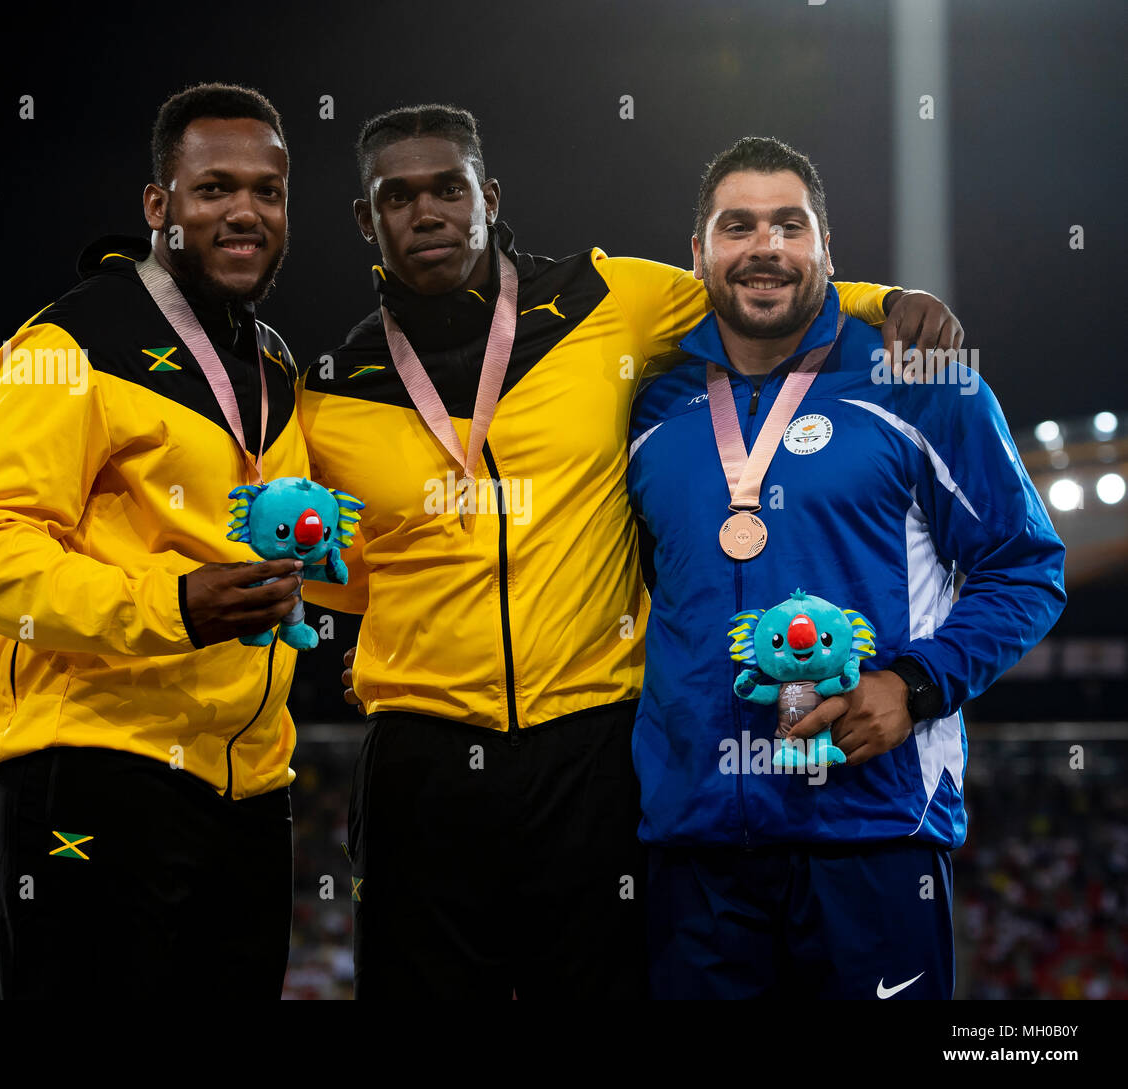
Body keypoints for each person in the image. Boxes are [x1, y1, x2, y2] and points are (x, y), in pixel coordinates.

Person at [298, 104, 963, 999]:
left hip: (594, 752)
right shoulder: (333, 391)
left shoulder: (603, 300)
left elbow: (758, 283)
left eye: (449, 188)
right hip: (423, 763)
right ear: (364, 218)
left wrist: (889, 300)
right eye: (398, 196)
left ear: (488, 196)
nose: (428, 213)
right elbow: (340, 574)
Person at [627, 136, 1066, 999]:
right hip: (694, 850)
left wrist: (914, 683)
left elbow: (1026, 568)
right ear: (699, 255)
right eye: (738, 226)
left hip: (875, 831)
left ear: (827, 246)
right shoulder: (652, 402)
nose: (767, 248)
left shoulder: (922, 382)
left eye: (791, 225)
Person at [0, 83, 312, 999]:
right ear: (159, 206)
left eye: (267, 190)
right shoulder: (69, 342)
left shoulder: (274, 367)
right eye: (214, 188)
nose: (245, 212)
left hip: (251, 791)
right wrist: (174, 605)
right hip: (91, 774)